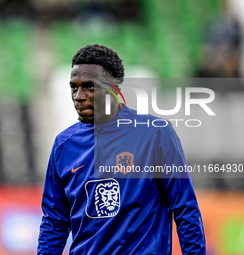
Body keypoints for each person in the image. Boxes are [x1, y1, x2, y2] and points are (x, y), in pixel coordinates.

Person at [37, 44, 206, 254]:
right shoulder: (64, 145)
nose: (78, 96)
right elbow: (55, 221)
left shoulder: (155, 135)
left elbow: (185, 208)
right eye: (74, 87)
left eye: (89, 86)